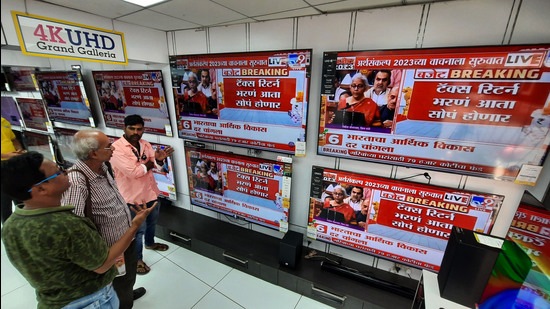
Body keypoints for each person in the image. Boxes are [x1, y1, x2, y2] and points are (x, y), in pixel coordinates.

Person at [1, 151, 155, 308]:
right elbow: (103, 265)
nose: (67, 172)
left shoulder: (10, 225)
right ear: (41, 189)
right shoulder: (67, 225)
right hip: (93, 301)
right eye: (58, 172)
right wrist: (135, 225)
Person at [60, 129, 146, 308]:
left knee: (127, 277)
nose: (113, 148)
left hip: (125, 241)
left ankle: (127, 294)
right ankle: (124, 302)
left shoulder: (103, 167)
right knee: (116, 284)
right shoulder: (77, 181)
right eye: (108, 146)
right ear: (93, 153)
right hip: (109, 250)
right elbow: (73, 226)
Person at [110, 115, 174, 276]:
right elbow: (133, 173)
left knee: (152, 223)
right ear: (124, 128)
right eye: (132, 128)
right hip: (133, 199)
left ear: (143, 129)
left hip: (151, 193)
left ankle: (150, 243)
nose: (136, 132)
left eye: (139, 129)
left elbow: (157, 168)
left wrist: (159, 161)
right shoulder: (116, 148)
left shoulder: (145, 144)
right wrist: (151, 163)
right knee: (137, 231)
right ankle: (137, 259)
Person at [1, 117, 25, 224]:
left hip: (13, 164)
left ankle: (26, 224)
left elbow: (13, 139)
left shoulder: (3, 121)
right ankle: (8, 229)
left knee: (20, 196)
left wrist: (18, 148)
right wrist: (7, 155)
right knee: (4, 201)